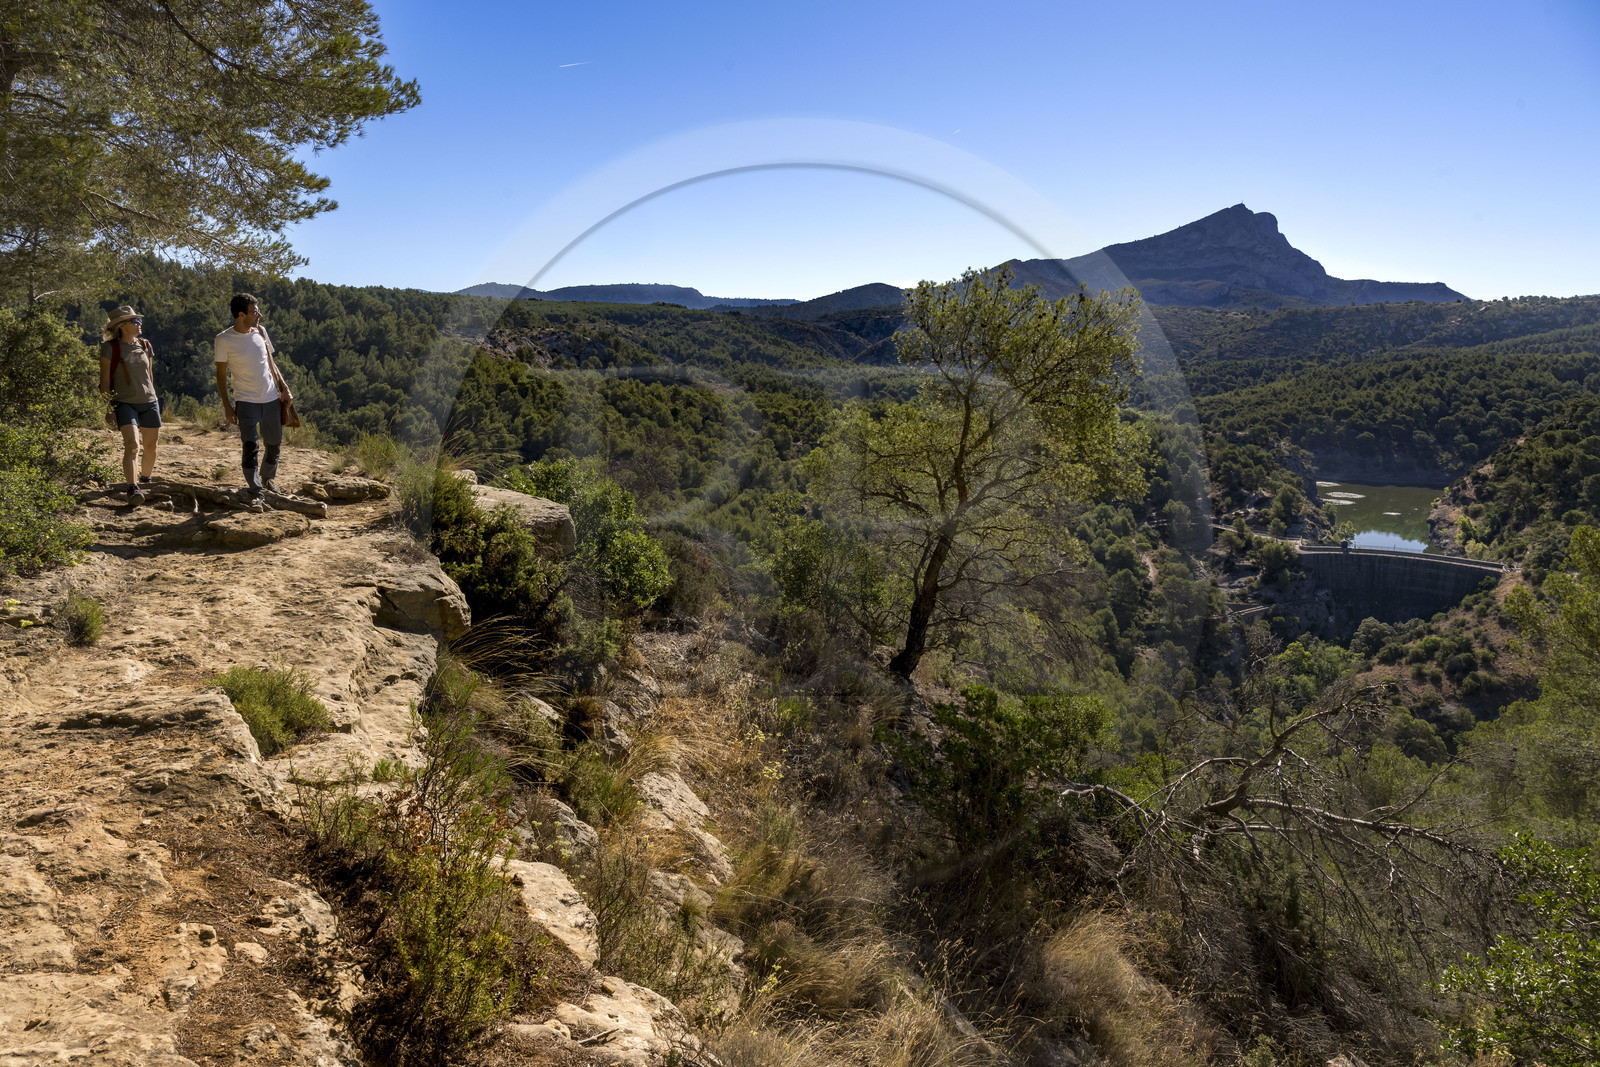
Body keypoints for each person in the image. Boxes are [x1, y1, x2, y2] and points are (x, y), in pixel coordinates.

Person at [214, 292, 294, 499]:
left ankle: (268, 479)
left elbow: (271, 363)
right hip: (245, 400)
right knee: (250, 446)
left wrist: (284, 388)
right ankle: (255, 489)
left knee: (274, 443)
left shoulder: (261, 331)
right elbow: (221, 376)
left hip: (270, 399)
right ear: (241, 314)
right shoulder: (223, 339)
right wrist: (227, 406)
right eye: (255, 311)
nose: (259, 315)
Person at [99, 305, 161, 503]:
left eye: (138, 320)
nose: (139, 323)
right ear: (123, 325)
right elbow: (105, 381)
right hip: (124, 403)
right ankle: (132, 488)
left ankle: (145, 479)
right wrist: (108, 409)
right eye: (135, 321)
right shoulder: (110, 348)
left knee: (151, 446)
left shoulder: (145, 345)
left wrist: (153, 395)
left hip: (149, 401)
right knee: (133, 445)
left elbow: (149, 374)